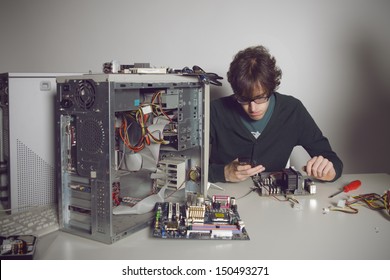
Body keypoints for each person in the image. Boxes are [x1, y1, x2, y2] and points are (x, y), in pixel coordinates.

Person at [209, 45, 343, 183]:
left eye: (260, 98)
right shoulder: (215, 111)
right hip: (221, 197)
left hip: (273, 200)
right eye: (244, 99)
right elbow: (189, 170)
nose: (253, 108)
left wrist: (329, 171)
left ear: (271, 88)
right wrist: (223, 173)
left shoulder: (292, 110)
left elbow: (333, 161)